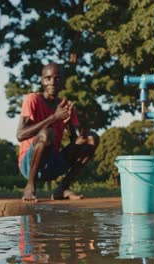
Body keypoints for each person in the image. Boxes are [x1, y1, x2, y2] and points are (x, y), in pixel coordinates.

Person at [17, 62, 99, 203]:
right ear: (42, 81)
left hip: (53, 164)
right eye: (48, 78)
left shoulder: (65, 105)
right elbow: (20, 135)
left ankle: (62, 188)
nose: (52, 82)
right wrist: (54, 117)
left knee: (92, 138)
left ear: (63, 82)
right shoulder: (33, 99)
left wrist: (70, 126)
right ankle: (30, 185)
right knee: (47, 133)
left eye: (57, 78)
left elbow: (75, 144)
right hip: (29, 164)